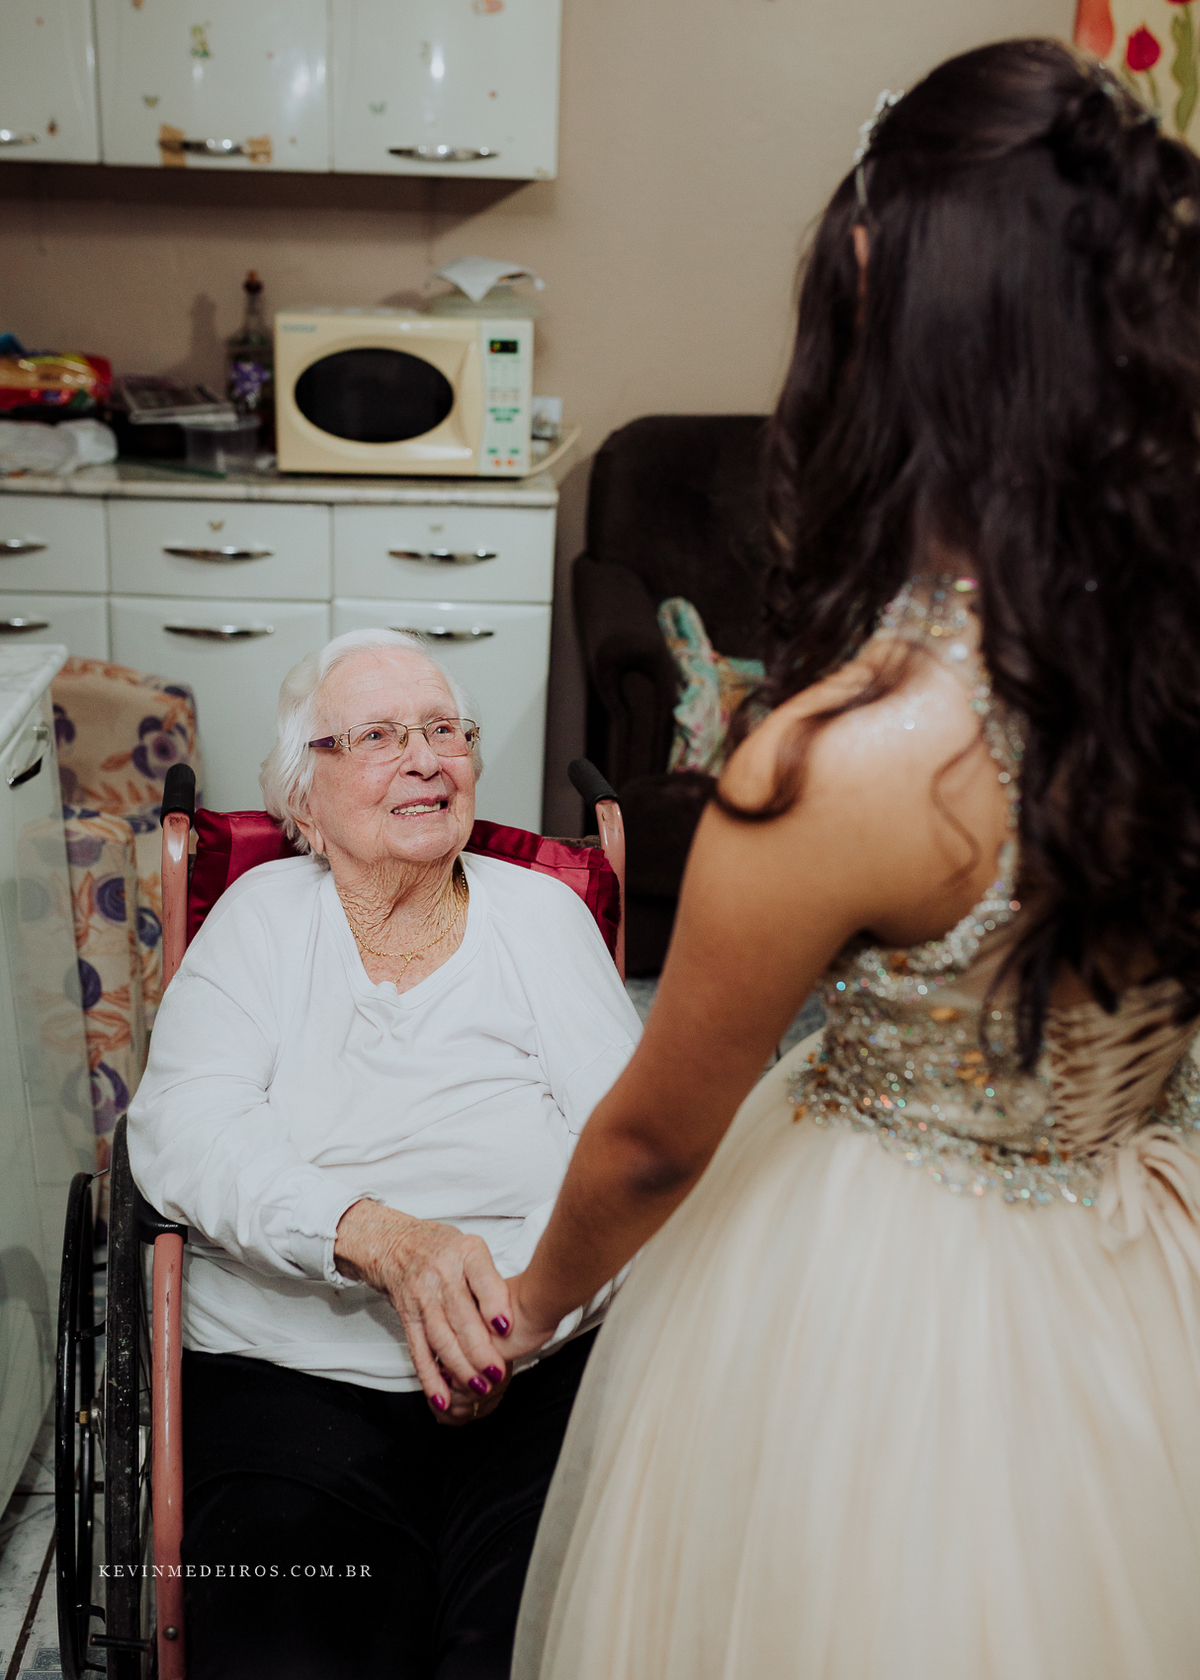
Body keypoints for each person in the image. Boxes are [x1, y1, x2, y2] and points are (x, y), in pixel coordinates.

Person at [504, 40, 1200, 1680]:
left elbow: (656, 1142)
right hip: (1140, 1260)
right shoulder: (1166, 656)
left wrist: (533, 1304)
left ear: (896, 326)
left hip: (887, 1327)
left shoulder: (845, 754)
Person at [126, 627, 640, 1680]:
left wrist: (532, 1309)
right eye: (376, 735)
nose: (425, 757)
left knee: (531, 1648)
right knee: (293, 1647)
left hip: (534, 1378)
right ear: (301, 798)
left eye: (444, 729)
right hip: (288, 1382)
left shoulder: (543, 920)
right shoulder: (259, 925)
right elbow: (182, 1132)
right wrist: (375, 1235)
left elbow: (630, 1153)